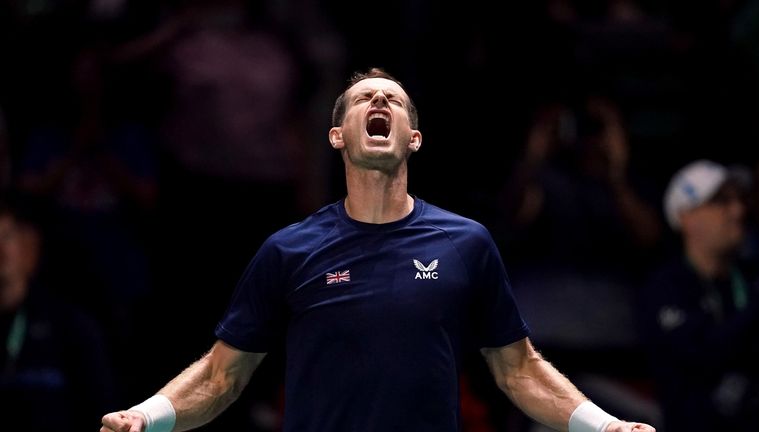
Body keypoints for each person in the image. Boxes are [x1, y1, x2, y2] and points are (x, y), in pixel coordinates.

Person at [100, 68, 655, 432]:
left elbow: (519, 372)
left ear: (413, 137)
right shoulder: (288, 251)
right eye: (365, 98)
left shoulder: (466, 243)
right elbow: (223, 377)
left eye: (394, 98)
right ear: (338, 135)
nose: (380, 100)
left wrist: (605, 425)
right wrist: (145, 417)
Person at [640, 159, 759, 431]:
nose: (738, 210)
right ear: (685, 216)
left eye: (739, 200)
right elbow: (701, 355)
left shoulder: (752, 278)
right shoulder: (666, 287)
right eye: (721, 201)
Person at [0, 197, 117, 431]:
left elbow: (102, 409)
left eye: (7, 237)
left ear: (28, 246)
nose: (0, 249)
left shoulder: (71, 326)